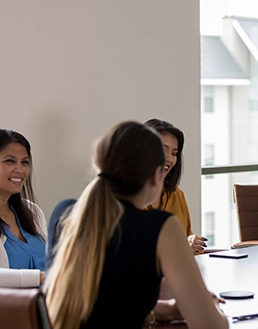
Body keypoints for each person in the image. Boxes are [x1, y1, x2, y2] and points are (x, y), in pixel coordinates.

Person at [43, 121, 228, 329]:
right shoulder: (160, 226)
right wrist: (216, 309)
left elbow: (101, 301)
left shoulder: (64, 213)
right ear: (156, 175)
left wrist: (165, 308)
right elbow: (211, 326)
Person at [144, 119, 207, 254]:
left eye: (174, 153)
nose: (169, 158)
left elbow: (187, 244)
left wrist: (191, 242)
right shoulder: (124, 198)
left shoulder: (177, 195)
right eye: (162, 149)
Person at [0, 129, 46, 288]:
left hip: (45, 308)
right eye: (10, 161)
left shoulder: (32, 212)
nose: (20, 170)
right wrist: (38, 278)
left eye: (24, 162)